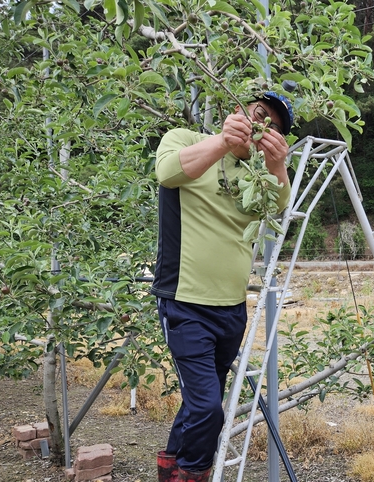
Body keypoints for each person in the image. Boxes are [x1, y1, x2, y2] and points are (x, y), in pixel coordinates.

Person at [151, 92, 294, 482]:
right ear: (237, 111)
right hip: (185, 302)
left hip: (232, 309)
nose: (264, 126)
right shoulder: (183, 138)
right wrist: (223, 142)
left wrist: (277, 165)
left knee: (200, 402)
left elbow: (280, 204)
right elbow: (166, 172)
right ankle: (195, 473)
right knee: (207, 408)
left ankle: (171, 470)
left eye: (275, 129)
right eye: (260, 115)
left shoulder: (257, 177)